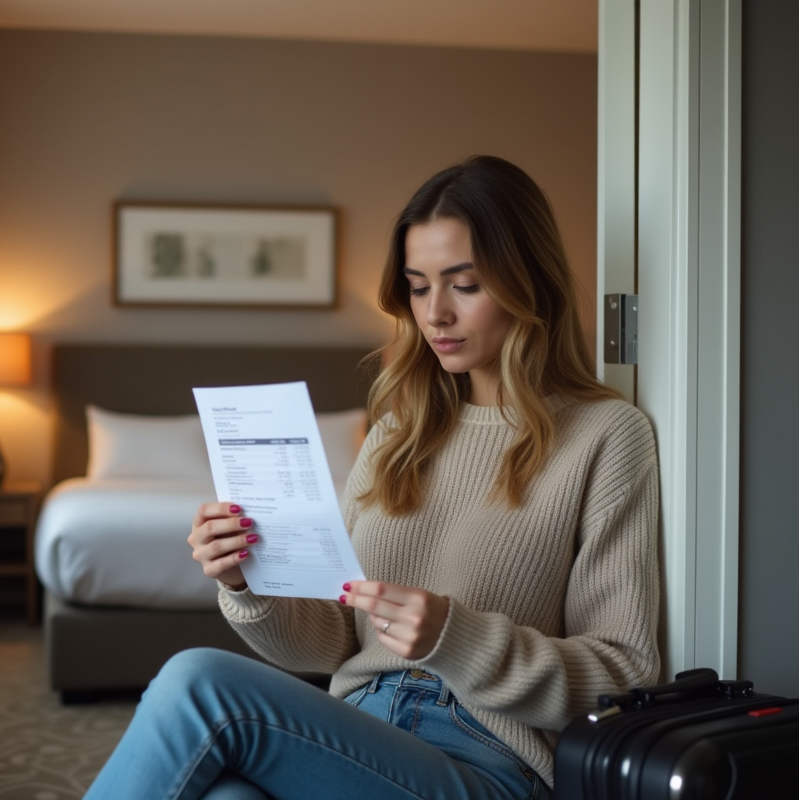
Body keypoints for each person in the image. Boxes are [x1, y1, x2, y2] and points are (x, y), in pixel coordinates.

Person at [83, 155, 660, 800]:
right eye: (418, 287)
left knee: (199, 682)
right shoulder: (395, 433)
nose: (435, 313)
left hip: (491, 763)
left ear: (529, 284)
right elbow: (330, 644)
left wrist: (456, 637)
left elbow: (623, 675)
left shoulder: (606, 435)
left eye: (464, 285)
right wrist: (250, 585)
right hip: (357, 739)